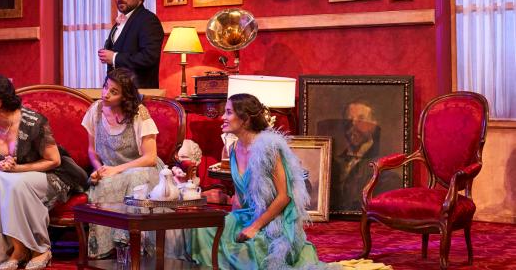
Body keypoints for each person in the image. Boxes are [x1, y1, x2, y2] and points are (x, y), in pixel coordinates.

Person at [185, 94, 332, 269]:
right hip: (246, 216)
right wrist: (231, 225)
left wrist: (254, 227)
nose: (222, 117)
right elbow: (239, 198)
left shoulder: (268, 148)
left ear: (245, 119)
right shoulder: (233, 148)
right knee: (200, 231)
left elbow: (284, 197)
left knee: (251, 252)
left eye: (229, 112)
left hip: (272, 221)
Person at [0, 73, 88, 270]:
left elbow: (54, 160)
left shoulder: (33, 123)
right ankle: (18, 249)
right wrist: (3, 166)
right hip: (12, 177)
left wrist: (17, 169)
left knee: (15, 183)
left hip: (52, 174)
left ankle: (41, 249)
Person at [82, 68, 166, 258]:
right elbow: (92, 151)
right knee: (106, 184)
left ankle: (132, 244)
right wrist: (100, 170)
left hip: (143, 170)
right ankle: (108, 250)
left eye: (114, 92)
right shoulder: (95, 110)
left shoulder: (139, 113)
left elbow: (150, 158)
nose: (106, 94)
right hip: (112, 172)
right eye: (105, 87)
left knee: (136, 178)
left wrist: (116, 170)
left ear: (125, 96)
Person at [329, 100, 398, 212]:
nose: (353, 125)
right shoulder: (332, 163)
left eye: (360, 119)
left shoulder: (385, 169)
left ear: (374, 125)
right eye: (349, 120)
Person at [98, 0, 164, 88]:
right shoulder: (120, 21)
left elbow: (148, 58)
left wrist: (114, 58)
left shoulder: (148, 20)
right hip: (116, 93)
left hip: (138, 94)